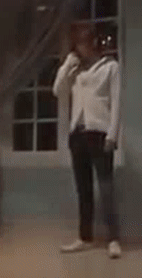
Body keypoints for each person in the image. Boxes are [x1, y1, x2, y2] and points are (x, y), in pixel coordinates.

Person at [52, 22, 122, 258]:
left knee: (106, 188)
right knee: (83, 190)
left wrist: (112, 135)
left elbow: (116, 102)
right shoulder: (75, 70)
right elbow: (57, 90)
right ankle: (84, 237)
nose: (79, 48)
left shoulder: (110, 67)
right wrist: (68, 64)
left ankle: (113, 239)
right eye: (77, 44)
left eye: (83, 43)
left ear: (93, 42)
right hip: (78, 134)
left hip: (99, 133)